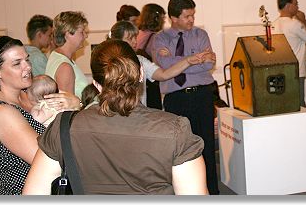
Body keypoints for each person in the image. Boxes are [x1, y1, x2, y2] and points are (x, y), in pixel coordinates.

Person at [23, 40, 208, 195]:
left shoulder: (63, 127)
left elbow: (33, 194)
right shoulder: (175, 129)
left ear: (96, 84)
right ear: (141, 74)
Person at [0, 36, 79, 195]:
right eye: (17, 63)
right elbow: (47, 159)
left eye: (27, 60)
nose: (28, 67)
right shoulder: (0, 112)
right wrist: (73, 109)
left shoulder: (18, 99)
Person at [151, 0, 219, 195]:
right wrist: (191, 60)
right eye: (187, 16)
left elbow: (208, 63)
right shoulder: (160, 39)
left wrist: (178, 63)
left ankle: (212, 192)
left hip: (202, 96)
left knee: (206, 145)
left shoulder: (201, 35)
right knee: (180, 148)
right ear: (173, 17)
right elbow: (163, 65)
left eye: (193, 15)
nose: (192, 20)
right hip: (176, 99)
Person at [107, 20, 207, 107]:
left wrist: (188, 61)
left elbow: (164, 74)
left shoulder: (140, 60)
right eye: (129, 38)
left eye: (135, 37)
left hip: (139, 115)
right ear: (117, 41)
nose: (134, 42)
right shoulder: (107, 62)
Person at [45, 11, 89, 99]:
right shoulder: (65, 67)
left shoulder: (57, 56)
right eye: (82, 32)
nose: (85, 36)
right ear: (68, 34)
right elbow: (68, 108)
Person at [136, 3, 167, 109]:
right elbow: (156, 63)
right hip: (151, 83)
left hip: (138, 81)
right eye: (163, 18)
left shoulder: (137, 34)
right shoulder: (155, 37)